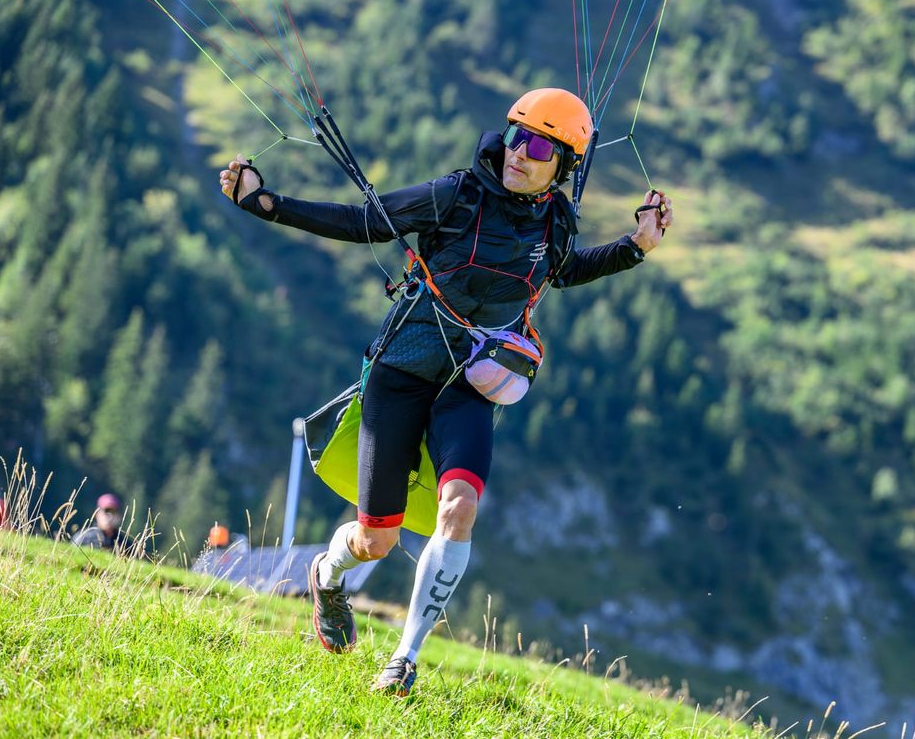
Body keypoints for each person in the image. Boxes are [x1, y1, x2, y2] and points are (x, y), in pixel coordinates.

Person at [218, 87, 673, 696]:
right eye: (515, 136)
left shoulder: (555, 220)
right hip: (401, 373)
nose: (519, 152)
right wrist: (266, 203)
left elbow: (563, 271)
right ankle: (327, 574)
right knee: (376, 539)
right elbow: (362, 222)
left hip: (469, 386)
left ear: (563, 165)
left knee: (460, 510)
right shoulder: (455, 195)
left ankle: (404, 659)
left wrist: (635, 248)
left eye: (538, 145)